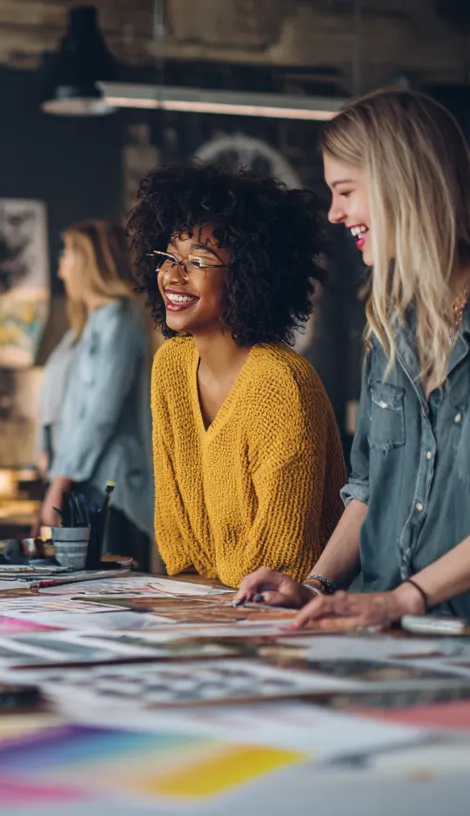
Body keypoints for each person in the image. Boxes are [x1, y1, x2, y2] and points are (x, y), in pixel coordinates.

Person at [237, 88, 470, 642]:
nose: (335, 213)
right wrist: (315, 587)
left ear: (399, 185)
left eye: (346, 192)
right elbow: (368, 489)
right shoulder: (388, 325)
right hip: (398, 640)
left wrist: (401, 600)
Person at [133, 164, 346, 589]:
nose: (173, 276)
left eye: (197, 261)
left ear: (251, 276)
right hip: (211, 607)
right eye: (169, 257)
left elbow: (281, 568)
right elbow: (179, 545)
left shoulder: (281, 385)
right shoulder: (170, 368)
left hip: (292, 617)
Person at [38, 219, 154, 564]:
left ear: (89, 261)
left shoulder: (119, 321)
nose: (60, 269)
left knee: (113, 598)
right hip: (82, 481)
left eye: (66, 255)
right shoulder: (86, 326)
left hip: (109, 487)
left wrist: (60, 481)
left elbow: (99, 413)